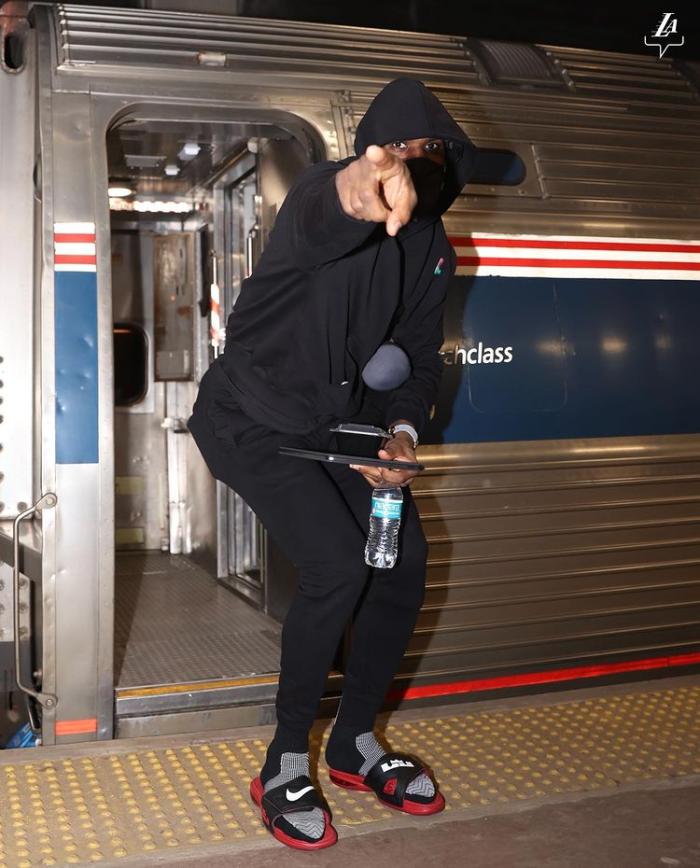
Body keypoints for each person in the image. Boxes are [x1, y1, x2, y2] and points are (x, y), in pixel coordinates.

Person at [187, 77, 477, 850]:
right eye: (400, 149)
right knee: (338, 565)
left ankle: (352, 742)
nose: (416, 162)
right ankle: (284, 761)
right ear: (372, 153)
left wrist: (402, 434)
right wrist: (359, 187)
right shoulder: (322, 198)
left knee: (404, 562)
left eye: (432, 150)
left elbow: (418, 358)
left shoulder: (435, 250)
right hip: (249, 417)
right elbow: (329, 208)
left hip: (341, 425)